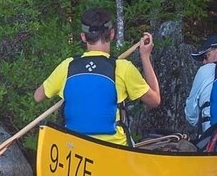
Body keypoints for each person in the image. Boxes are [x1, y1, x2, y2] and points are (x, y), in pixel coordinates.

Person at [34, 8, 161, 146]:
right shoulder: (123, 68)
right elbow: (155, 100)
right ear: (111, 34)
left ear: (83, 36)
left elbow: (38, 96)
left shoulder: (67, 66)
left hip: (74, 145)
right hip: (114, 148)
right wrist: (145, 56)